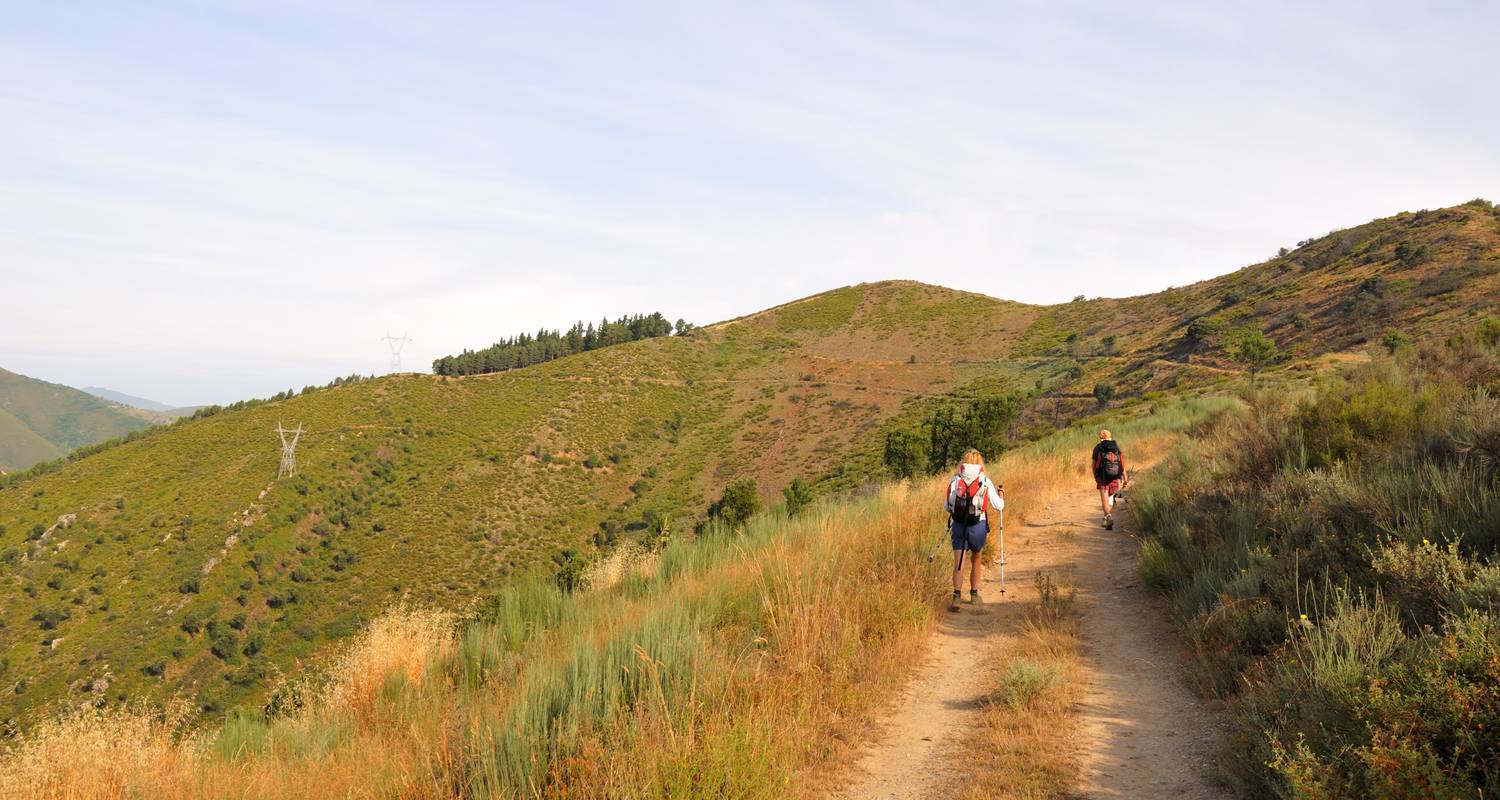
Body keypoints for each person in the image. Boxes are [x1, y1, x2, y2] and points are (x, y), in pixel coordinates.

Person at [945, 448, 1004, 611]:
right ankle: (974, 595)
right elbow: (998, 506)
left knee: (959, 562)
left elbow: (947, 506)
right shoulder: (984, 480)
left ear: (963, 463)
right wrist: (1001, 496)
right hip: (978, 525)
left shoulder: (955, 480)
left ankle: (956, 597)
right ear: (980, 463)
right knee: (976, 559)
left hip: (958, 525)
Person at [1092, 430, 1127, 529]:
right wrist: (1125, 477)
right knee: (1110, 497)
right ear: (1110, 436)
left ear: (1100, 437)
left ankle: (1108, 515)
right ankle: (1105, 518)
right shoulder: (1116, 447)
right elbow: (1122, 463)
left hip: (1102, 476)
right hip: (1115, 475)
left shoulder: (1098, 448)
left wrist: (1095, 476)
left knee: (1104, 498)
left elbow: (1093, 465)